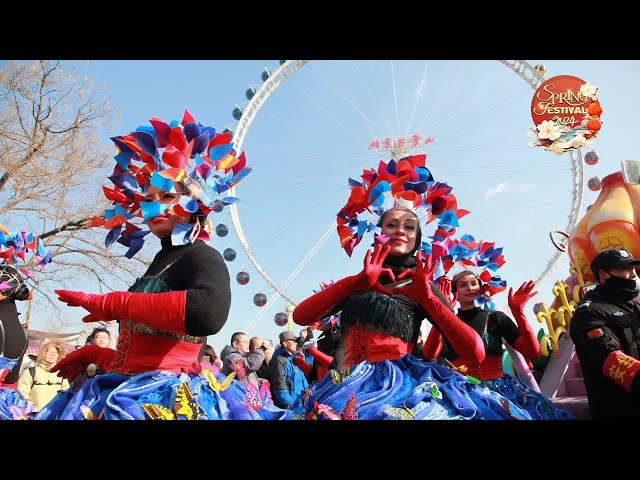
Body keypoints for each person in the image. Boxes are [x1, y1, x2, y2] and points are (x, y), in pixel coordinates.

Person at [35, 110, 291, 420]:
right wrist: (97, 356)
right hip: (125, 390)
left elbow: (208, 313)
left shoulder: (201, 255)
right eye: (148, 198)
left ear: (195, 201)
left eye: (167, 195)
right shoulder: (159, 262)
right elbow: (143, 349)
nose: (155, 205)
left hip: (169, 398)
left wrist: (113, 302)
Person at [292, 154, 533, 419]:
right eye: (391, 225)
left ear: (417, 238)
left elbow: (474, 353)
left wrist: (428, 298)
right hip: (344, 387)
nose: (400, 231)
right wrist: (354, 284)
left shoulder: (422, 284)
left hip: (399, 386)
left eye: (409, 227)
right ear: (378, 231)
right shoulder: (359, 281)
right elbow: (301, 316)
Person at [424, 270, 573, 420]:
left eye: (474, 283)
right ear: (454, 291)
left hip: (500, 391)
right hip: (461, 392)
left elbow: (532, 353)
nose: (470, 288)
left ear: (481, 288)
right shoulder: (448, 323)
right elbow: (429, 354)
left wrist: (518, 312)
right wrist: (441, 313)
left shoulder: (496, 318)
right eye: (463, 285)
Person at [570, 248, 640, 419]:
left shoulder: (633, 306)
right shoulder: (588, 313)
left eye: (633, 269)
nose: (633, 275)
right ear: (604, 275)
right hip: (620, 410)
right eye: (625, 269)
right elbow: (611, 359)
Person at [17, 339, 71, 412]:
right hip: (34, 414)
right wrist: (31, 408)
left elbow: (66, 395)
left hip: (54, 414)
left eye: (56, 352)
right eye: (49, 352)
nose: (52, 354)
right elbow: (22, 393)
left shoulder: (61, 374)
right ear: (42, 353)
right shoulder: (30, 372)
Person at [269, 331, 309, 410]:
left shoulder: (294, 357)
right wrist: (289, 404)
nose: (296, 343)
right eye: (294, 341)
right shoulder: (279, 360)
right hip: (292, 404)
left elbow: (308, 365)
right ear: (285, 343)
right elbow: (279, 386)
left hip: (302, 401)